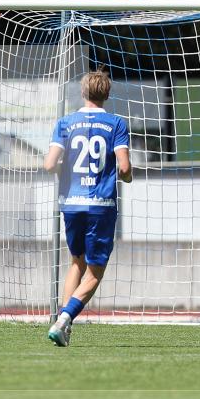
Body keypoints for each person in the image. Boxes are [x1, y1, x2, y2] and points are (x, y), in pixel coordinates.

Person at [44, 70, 132, 346]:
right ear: (107, 94)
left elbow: (49, 165)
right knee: (95, 271)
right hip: (100, 205)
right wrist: (127, 176)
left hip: (71, 204)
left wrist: (66, 173)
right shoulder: (116, 123)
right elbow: (125, 168)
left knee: (76, 261)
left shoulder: (66, 123)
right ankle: (64, 319)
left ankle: (61, 320)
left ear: (83, 92)